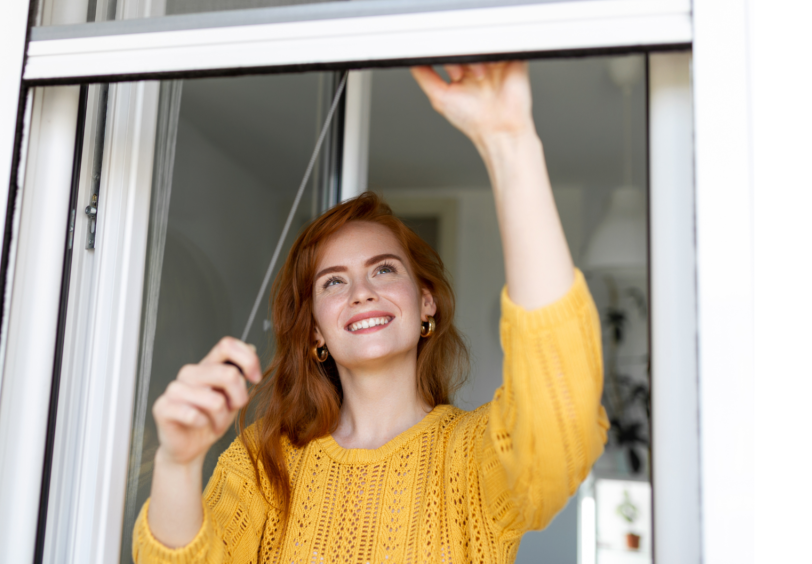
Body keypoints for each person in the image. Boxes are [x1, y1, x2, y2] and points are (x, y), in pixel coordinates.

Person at [133, 61, 609, 564]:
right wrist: (178, 463)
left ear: (426, 303)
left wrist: (510, 143)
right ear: (315, 330)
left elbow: (562, 419)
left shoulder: (475, 457)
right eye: (333, 281)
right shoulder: (262, 461)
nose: (361, 291)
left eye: (384, 271)